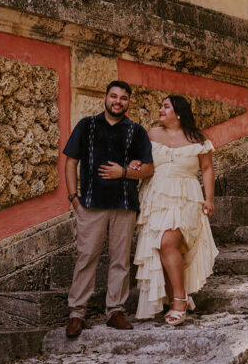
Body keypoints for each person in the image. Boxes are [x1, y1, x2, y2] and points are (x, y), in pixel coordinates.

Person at [63, 80, 154, 336]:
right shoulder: (86, 126)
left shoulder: (136, 131)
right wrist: (73, 197)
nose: (118, 101)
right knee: (86, 257)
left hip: (124, 205)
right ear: (105, 98)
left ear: (128, 102)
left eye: (123, 98)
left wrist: (123, 172)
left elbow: (148, 169)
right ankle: (77, 313)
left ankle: (115, 311)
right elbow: (71, 162)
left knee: (120, 260)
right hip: (91, 204)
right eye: (113, 96)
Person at [132, 94, 218, 325]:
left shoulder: (198, 138)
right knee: (162, 248)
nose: (161, 110)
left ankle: (179, 300)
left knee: (168, 242)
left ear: (178, 112)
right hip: (156, 196)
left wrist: (209, 199)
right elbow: (143, 161)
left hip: (186, 196)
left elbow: (207, 169)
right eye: (161, 106)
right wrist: (135, 164)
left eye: (166, 106)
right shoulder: (152, 134)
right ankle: (176, 298)